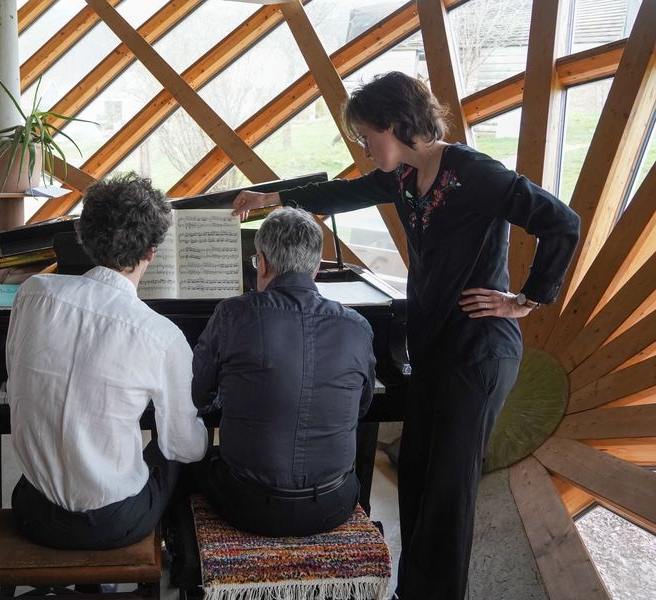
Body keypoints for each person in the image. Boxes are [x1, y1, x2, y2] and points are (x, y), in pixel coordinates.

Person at [232, 72, 580, 598]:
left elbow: (561, 221)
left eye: (366, 136)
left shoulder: (472, 172)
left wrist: (525, 300)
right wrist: (272, 196)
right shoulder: (402, 177)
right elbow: (342, 193)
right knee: (415, 473)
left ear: (394, 125)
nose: (365, 148)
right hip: (434, 348)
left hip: (479, 353)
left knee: (448, 494)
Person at [6, 172, 209, 550]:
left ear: (85, 237)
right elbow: (183, 447)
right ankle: (181, 554)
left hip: (31, 510)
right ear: (151, 253)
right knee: (179, 450)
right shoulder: (162, 336)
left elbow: (16, 373)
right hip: (112, 525)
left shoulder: (33, 294)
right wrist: (209, 428)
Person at [190, 207, 376, 537]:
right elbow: (361, 407)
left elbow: (199, 396)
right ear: (316, 268)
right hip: (332, 505)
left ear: (261, 263)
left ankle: (183, 551)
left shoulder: (232, 314)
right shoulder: (357, 327)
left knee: (186, 462)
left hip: (246, 505)